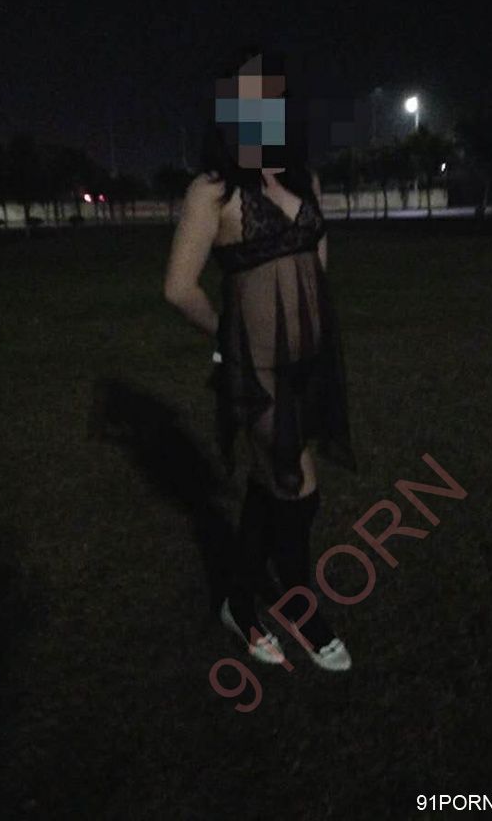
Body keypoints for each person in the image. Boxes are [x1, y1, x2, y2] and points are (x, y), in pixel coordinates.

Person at [163, 49, 357, 672]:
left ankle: (239, 604)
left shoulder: (302, 179)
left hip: (310, 364)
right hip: (260, 371)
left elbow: (317, 266)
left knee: (271, 486)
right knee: (298, 491)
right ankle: (301, 608)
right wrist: (228, 337)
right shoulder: (212, 191)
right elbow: (179, 288)